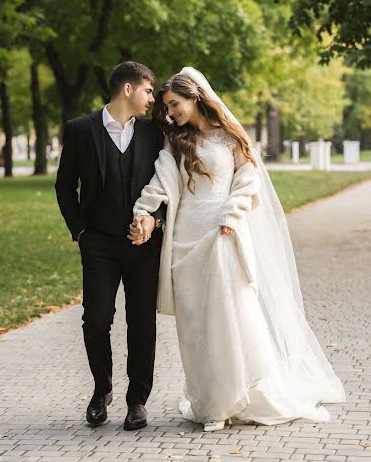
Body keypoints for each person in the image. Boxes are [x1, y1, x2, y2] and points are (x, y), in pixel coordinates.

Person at [129, 67, 345, 432]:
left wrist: (232, 213)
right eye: (166, 107)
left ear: (195, 97)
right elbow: (161, 181)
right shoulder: (174, 142)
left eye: (175, 104)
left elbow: (248, 179)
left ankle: (232, 398)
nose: (171, 113)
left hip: (223, 234)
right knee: (195, 324)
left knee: (226, 317)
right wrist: (143, 211)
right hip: (185, 241)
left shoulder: (229, 138)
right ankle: (209, 400)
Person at [55, 61, 166, 430]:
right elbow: (64, 185)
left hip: (143, 245)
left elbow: (168, 189)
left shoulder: (154, 134)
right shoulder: (80, 130)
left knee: (141, 323)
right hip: (98, 244)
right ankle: (101, 390)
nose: (153, 99)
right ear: (128, 90)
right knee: (96, 319)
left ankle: (137, 401)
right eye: (149, 91)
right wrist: (80, 232)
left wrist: (155, 221)